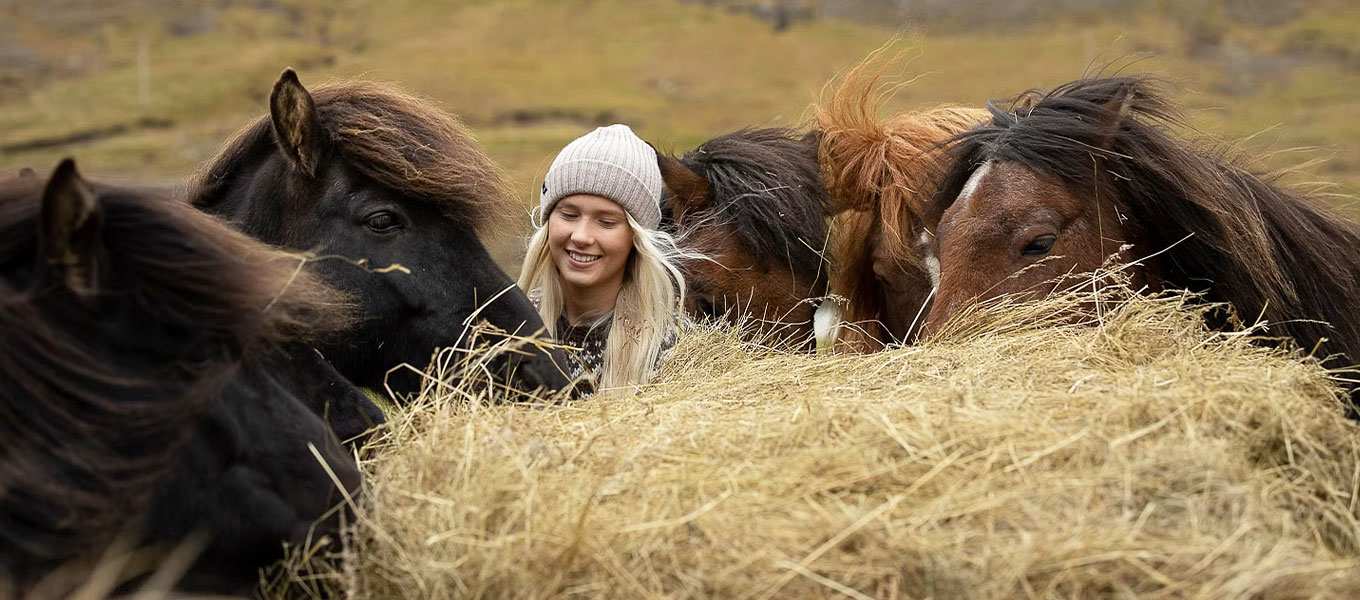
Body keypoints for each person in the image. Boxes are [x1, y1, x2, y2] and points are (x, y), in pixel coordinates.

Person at [518, 124, 686, 395]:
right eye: (569, 215)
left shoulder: (675, 348)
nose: (582, 236)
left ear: (637, 237)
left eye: (607, 222)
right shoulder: (510, 327)